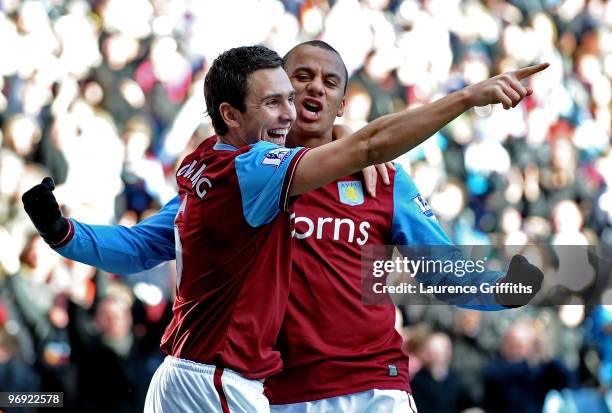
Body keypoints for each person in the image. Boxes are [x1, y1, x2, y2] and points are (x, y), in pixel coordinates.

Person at [23, 43, 547, 411]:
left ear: (343, 103)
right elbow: (147, 243)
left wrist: (505, 289)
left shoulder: (384, 180)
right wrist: (65, 233)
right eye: (300, 79)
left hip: (372, 386)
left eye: (331, 81)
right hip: (275, 393)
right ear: (277, 93)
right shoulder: (240, 175)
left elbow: (437, 268)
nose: (315, 88)